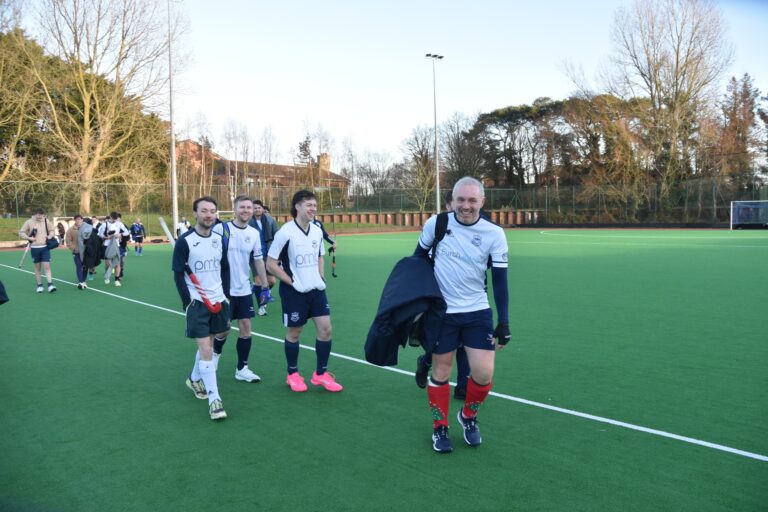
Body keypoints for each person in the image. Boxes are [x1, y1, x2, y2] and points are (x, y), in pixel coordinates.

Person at [413, 177, 510, 453]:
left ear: (482, 201)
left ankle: (468, 416)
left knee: (482, 373)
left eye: (471, 200)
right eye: (460, 200)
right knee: (441, 371)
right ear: (452, 200)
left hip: (477, 310)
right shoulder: (437, 224)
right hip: (442, 312)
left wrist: (503, 322)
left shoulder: (494, 233)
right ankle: (439, 426)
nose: (466, 206)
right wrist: (417, 301)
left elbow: (501, 282)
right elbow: (417, 259)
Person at [266, 190, 343, 393]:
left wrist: (321, 276)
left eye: (314, 205)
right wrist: (292, 282)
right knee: (295, 332)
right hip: (294, 291)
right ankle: (292, 374)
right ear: (297, 206)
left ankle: (320, 374)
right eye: (309, 205)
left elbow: (320, 256)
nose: (313, 209)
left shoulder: (317, 230)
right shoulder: (285, 232)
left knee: (326, 329)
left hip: (316, 289)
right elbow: (271, 264)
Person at [172, 196, 231, 420]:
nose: (208, 215)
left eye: (212, 211)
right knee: (206, 349)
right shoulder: (184, 242)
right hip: (197, 302)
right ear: (195, 214)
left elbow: (224, 267)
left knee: (216, 339)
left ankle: (194, 378)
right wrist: (187, 302)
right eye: (204, 211)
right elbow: (178, 273)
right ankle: (215, 400)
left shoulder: (219, 240)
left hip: (218, 299)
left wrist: (225, 294)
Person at [415, 190, 471, 400]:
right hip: (439, 297)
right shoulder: (438, 226)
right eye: (455, 205)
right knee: (440, 341)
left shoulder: (474, 229)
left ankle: (463, 386)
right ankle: (426, 362)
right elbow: (421, 256)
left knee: (465, 343)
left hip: (467, 297)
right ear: (449, 206)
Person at [211, 195, 272, 383]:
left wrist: (264, 285)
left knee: (246, 327)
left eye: (249, 208)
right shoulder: (222, 229)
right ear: (235, 209)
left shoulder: (253, 233)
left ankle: (242, 368)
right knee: (224, 329)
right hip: (223, 289)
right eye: (242, 207)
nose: (246, 210)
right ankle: (213, 358)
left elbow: (258, 259)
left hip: (244, 289)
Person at [18, 207, 57, 293]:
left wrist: (50, 236)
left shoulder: (46, 221)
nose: (40, 216)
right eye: (38, 214)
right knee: (37, 268)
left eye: (42, 215)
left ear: (44, 215)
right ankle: (39, 285)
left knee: (47, 266)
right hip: (35, 248)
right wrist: (29, 238)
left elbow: (52, 231)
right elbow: (21, 232)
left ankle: (50, 285)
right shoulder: (29, 222)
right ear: (35, 214)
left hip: (45, 247)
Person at [249, 199, 278, 315]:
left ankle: (261, 292)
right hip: (254, 255)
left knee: (271, 280)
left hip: (268, 253)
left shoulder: (270, 220)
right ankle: (262, 306)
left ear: (262, 208)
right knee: (259, 280)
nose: (257, 210)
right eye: (254, 208)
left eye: (259, 207)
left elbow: (276, 234)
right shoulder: (248, 221)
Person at [98, 212, 129, 287]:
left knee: (117, 263)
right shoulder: (104, 224)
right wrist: (107, 237)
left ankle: (117, 280)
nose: (114, 220)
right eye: (113, 219)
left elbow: (126, 233)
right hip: (107, 245)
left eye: (115, 219)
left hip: (116, 245)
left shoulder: (119, 224)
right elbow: (99, 234)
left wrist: (119, 235)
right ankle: (107, 276)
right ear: (110, 217)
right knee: (108, 263)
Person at [64, 214, 88, 289]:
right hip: (76, 252)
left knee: (85, 267)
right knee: (79, 266)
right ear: (75, 220)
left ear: (82, 220)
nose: (78, 220)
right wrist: (74, 248)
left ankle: (83, 281)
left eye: (79, 219)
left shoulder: (87, 228)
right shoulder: (71, 230)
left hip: (86, 252)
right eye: (76, 219)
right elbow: (68, 241)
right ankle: (80, 282)